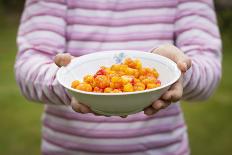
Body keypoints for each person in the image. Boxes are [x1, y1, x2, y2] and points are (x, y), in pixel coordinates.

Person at [15, 0, 222, 154]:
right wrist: (69, 83)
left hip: (162, 148)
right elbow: (28, 67)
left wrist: (177, 71)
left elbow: (208, 71)